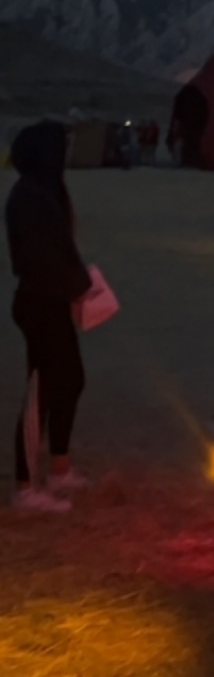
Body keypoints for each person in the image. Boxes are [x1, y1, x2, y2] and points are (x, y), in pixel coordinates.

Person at [7, 119, 92, 514]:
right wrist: (78, 286)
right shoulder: (28, 198)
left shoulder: (46, 192)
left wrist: (79, 285)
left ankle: (60, 467)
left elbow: (62, 250)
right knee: (40, 390)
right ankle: (25, 487)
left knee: (71, 379)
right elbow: (41, 258)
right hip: (39, 302)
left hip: (54, 299)